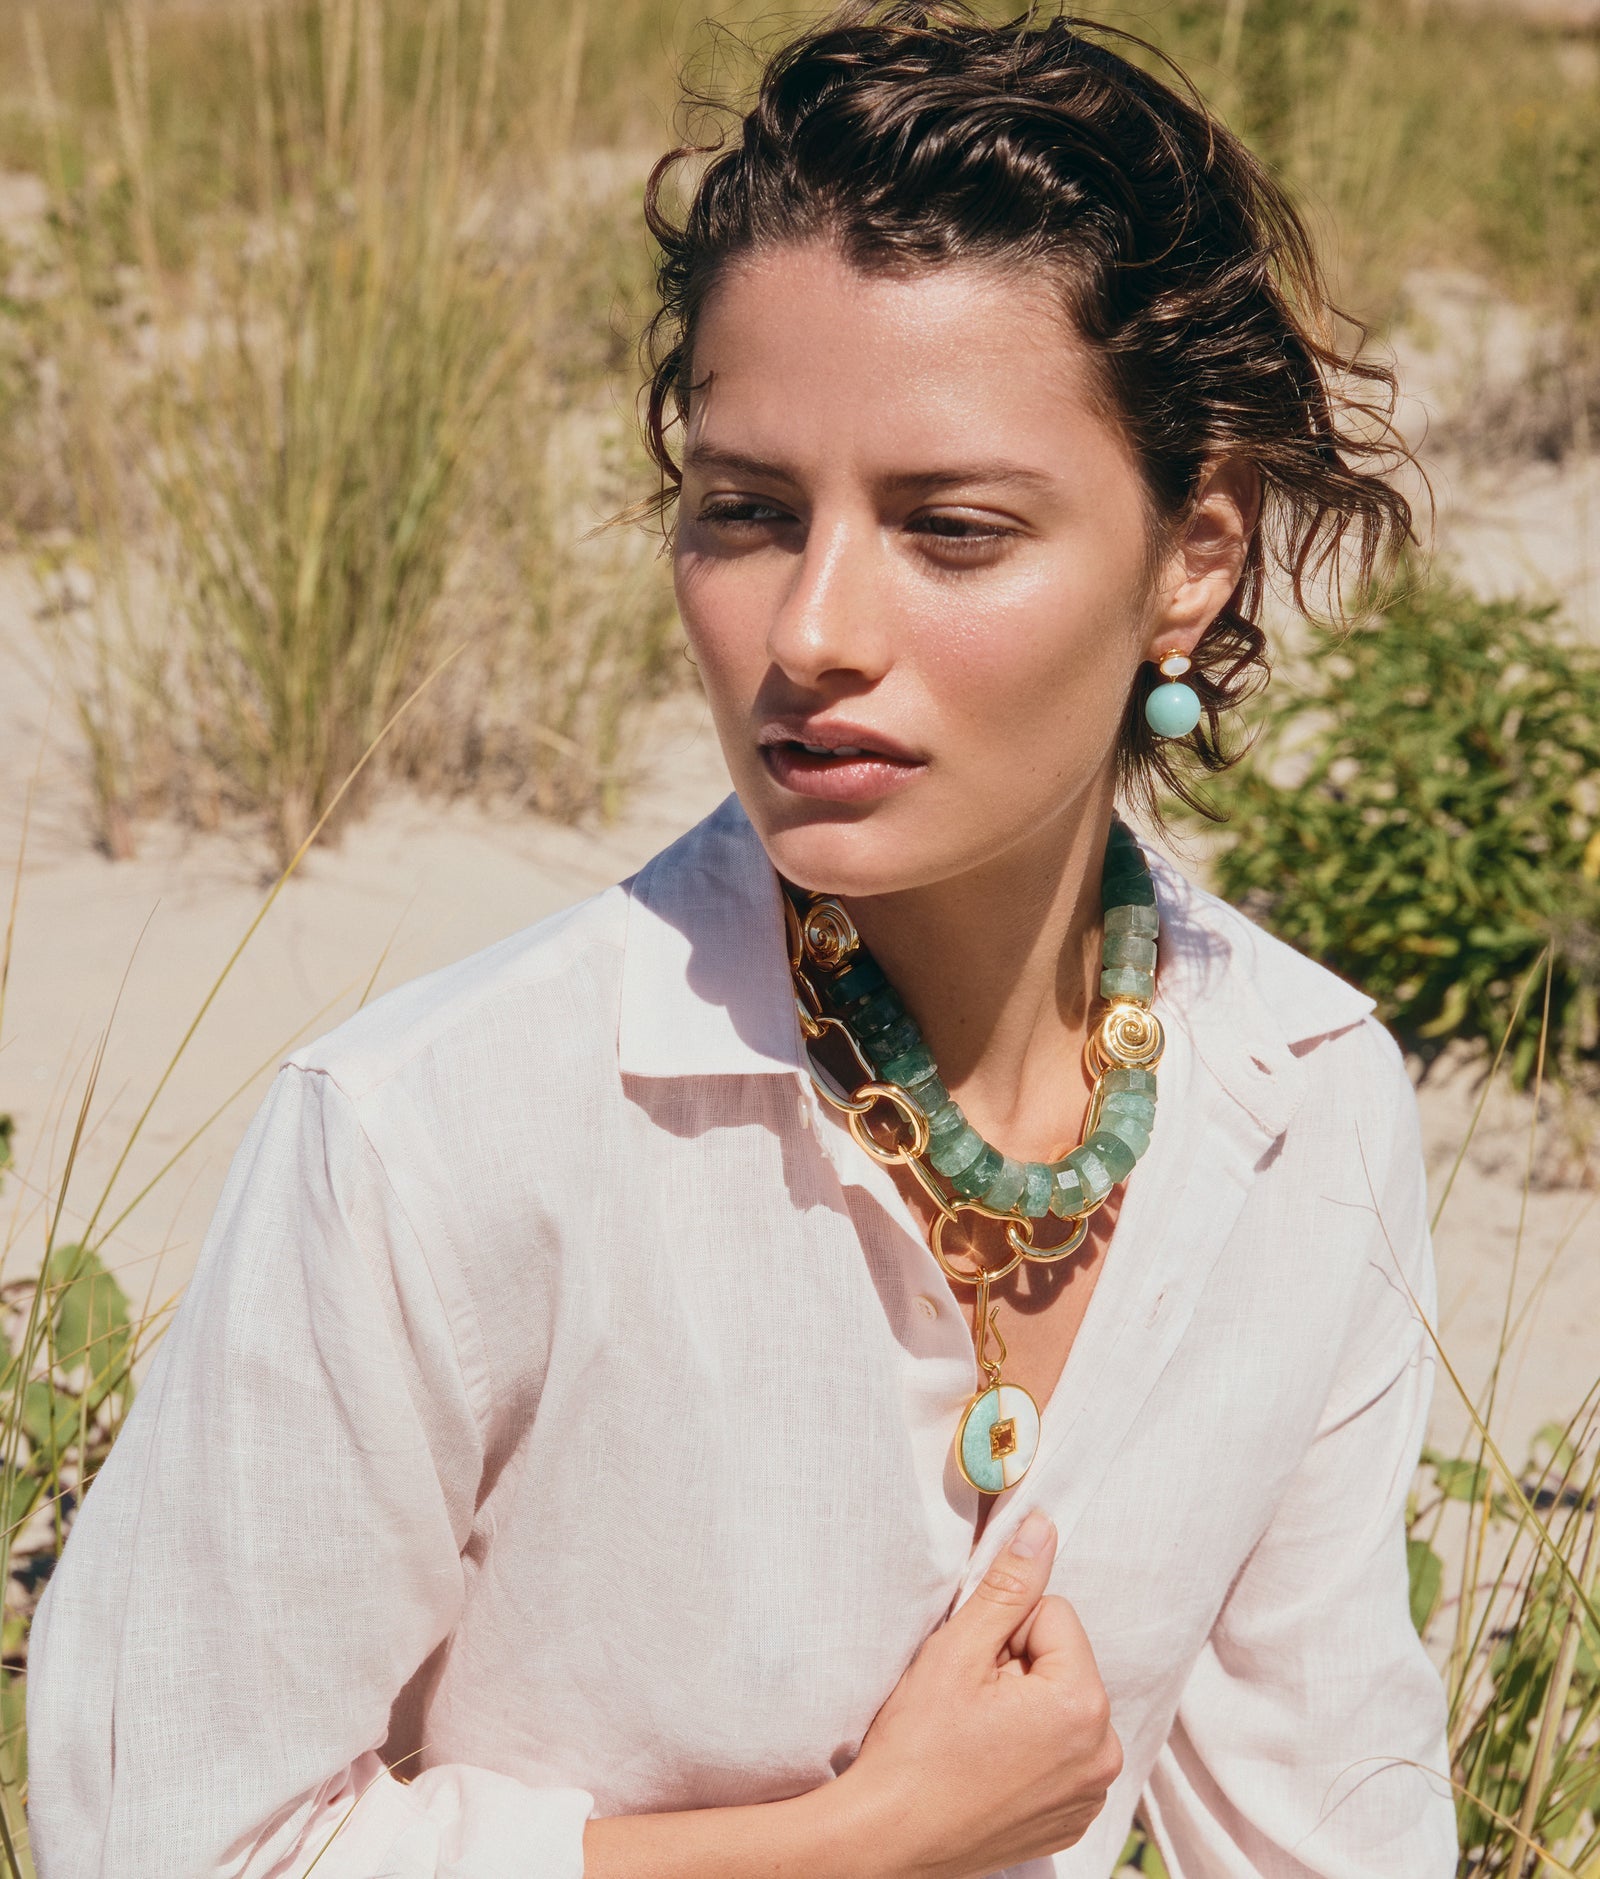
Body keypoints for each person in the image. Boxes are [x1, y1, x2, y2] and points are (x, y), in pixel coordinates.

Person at [26, 6, 1458, 1875]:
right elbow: (169, 1844)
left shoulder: (1304, 1103)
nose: (812, 632)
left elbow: (1325, 1831)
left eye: (952, 529)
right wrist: (868, 1838)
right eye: (748, 512)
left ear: (1194, 558)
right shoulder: (434, 1139)